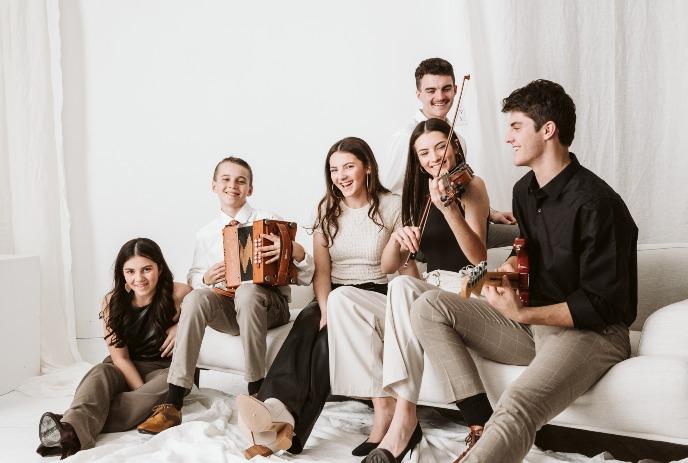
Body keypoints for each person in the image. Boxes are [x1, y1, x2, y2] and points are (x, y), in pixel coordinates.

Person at [408, 79, 637, 462]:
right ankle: (478, 422)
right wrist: (504, 274)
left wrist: (524, 313)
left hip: (592, 332)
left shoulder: (598, 204)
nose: (508, 137)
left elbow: (603, 304)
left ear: (548, 130)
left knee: (517, 403)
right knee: (429, 306)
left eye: (516, 127)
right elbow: (528, 254)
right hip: (532, 326)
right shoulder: (524, 191)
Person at [235, 136, 404, 459]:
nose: (341, 176)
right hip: (334, 292)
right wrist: (326, 309)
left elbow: (399, 262)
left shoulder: (391, 206)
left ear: (367, 167)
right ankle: (273, 412)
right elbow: (322, 273)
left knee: (327, 346)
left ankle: (294, 432)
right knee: (306, 326)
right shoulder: (326, 209)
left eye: (349, 166)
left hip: (372, 293)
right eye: (334, 169)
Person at [137, 156, 314, 435]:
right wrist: (206, 278)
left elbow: (305, 275)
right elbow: (194, 279)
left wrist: (293, 250)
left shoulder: (269, 221)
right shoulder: (206, 233)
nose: (233, 186)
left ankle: (256, 390)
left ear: (250, 189)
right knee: (195, 299)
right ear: (214, 185)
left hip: (270, 306)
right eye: (226, 179)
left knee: (247, 291)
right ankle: (173, 401)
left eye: (241, 181)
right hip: (229, 308)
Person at [353, 117, 491, 463]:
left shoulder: (472, 187)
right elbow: (388, 266)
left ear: (455, 145)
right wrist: (398, 240)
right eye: (423, 153)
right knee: (397, 283)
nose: (433, 158)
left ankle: (402, 422)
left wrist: (449, 209)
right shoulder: (416, 198)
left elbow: (478, 257)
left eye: (440, 147)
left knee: (406, 289)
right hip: (433, 285)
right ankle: (403, 416)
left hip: (468, 284)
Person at [36, 238, 191, 459]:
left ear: (160, 267)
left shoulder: (180, 293)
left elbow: (206, 309)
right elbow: (120, 358)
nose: (139, 278)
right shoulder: (112, 302)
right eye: (130, 271)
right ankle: (72, 428)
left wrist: (181, 324)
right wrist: (138, 394)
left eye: (146, 269)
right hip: (124, 365)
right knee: (99, 372)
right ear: (122, 274)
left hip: (166, 369)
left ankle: (71, 425)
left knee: (171, 382)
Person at [378, 57, 517, 247]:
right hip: (427, 230)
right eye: (431, 90)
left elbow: (461, 189)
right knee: (526, 233)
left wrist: (490, 213)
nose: (440, 96)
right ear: (418, 94)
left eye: (446, 88)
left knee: (526, 231)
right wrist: (403, 232)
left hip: (456, 221)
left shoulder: (457, 139)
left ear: (456, 90)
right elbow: (386, 192)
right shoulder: (405, 137)